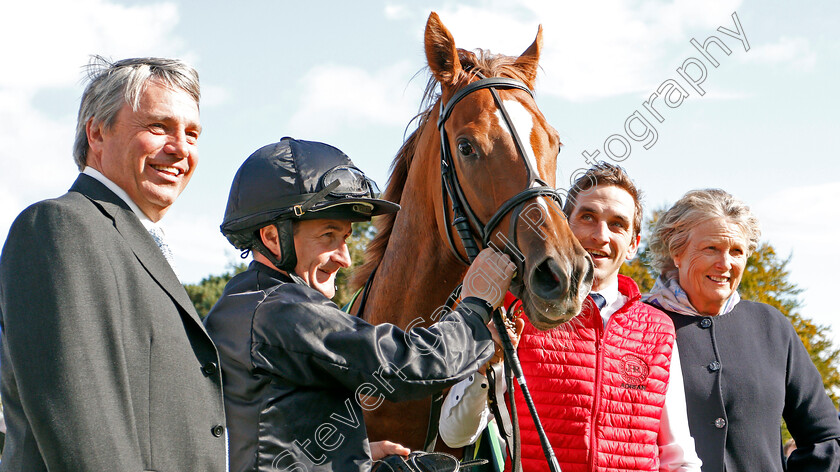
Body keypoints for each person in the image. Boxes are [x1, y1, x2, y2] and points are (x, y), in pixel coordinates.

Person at [203, 137, 516, 472]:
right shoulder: (282, 309)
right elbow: (405, 366)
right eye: (328, 236)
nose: (344, 258)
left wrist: (352, 453)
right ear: (270, 237)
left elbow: (266, 434)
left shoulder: (239, 303)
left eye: (346, 238)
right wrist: (474, 308)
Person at [0, 57, 227, 471]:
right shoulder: (60, 227)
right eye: (158, 127)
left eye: (192, 133)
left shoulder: (136, 245)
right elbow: (86, 430)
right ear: (97, 132)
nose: (180, 148)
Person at [439, 163, 702, 472]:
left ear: (633, 244)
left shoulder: (658, 328)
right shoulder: (516, 311)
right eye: (588, 217)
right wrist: (487, 364)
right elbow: (455, 435)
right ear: (564, 226)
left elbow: (677, 455)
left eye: (617, 224)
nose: (601, 235)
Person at [643, 188, 840, 472]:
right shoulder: (636, 324)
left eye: (737, 251)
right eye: (711, 248)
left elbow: (825, 439)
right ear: (676, 251)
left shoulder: (772, 326)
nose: (725, 264)